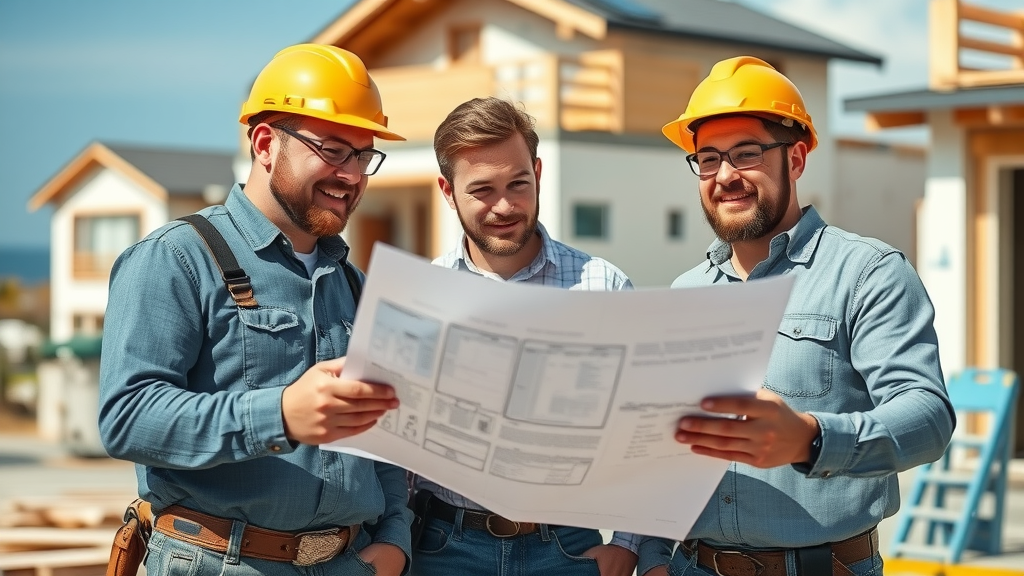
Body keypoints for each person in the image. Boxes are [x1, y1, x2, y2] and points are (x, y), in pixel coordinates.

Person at [98, 44, 413, 576]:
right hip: (217, 562)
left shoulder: (354, 286)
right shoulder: (178, 257)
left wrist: (395, 541)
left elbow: (379, 436)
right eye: (334, 150)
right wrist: (281, 413)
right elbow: (127, 418)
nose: (353, 175)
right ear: (266, 143)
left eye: (364, 156)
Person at [636, 56, 956, 576]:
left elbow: (927, 418)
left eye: (746, 154)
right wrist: (652, 558)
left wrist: (811, 438)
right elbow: (663, 449)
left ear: (798, 158)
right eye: (708, 159)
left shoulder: (868, 272)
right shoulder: (686, 291)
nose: (725, 176)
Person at [409, 97, 640, 576]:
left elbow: (642, 429)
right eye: (482, 190)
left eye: (518, 183)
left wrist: (629, 543)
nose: (505, 206)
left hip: (569, 549)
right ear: (447, 192)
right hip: (441, 547)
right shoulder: (417, 297)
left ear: (538, 171)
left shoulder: (604, 286)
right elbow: (396, 455)